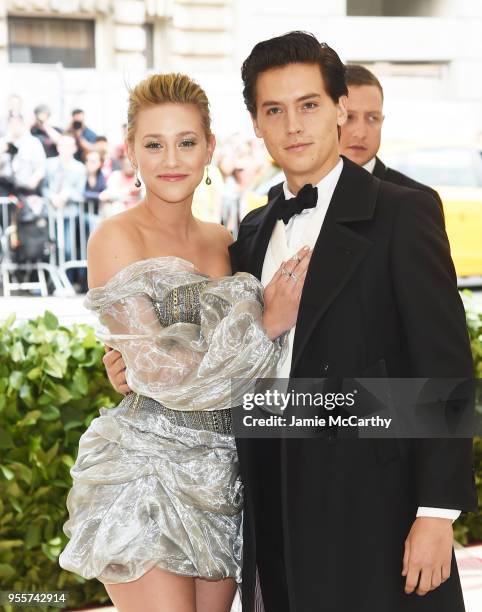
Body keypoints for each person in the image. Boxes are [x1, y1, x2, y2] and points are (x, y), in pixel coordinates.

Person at [104, 33, 476, 612]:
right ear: (256, 124)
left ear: (338, 110)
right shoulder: (248, 234)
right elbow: (213, 351)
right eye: (274, 110)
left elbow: (444, 364)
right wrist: (138, 361)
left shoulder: (401, 213)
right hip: (268, 500)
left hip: (374, 505)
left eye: (308, 105)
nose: (293, 125)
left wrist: (435, 512)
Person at [59, 72, 312, 612]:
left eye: (186, 142)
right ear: (131, 152)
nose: (170, 158)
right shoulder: (116, 237)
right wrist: (263, 325)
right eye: (154, 143)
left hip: (223, 479)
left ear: (209, 149)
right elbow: (156, 373)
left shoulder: (228, 242)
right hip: (146, 471)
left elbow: (248, 372)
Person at [340, 64, 444, 212]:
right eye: (349, 117)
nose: (361, 133)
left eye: (372, 118)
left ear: (381, 121)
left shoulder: (418, 201)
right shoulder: (303, 190)